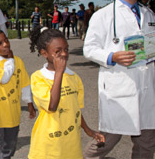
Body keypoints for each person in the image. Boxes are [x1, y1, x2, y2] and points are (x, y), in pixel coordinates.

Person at [83, 0, 155, 158]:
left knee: (147, 145)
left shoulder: (149, 14)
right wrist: (112, 57)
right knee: (105, 143)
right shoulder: (103, 15)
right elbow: (89, 49)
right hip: (119, 89)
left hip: (146, 90)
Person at [28, 28, 104, 159]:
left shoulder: (73, 77)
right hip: (49, 145)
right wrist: (59, 73)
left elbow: (75, 110)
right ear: (44, 53)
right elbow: (52, 106)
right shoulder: (38, 77)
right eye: (57, 51)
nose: (64, 54)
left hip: (71, 144)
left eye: (66, 49)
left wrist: (88, 130)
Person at [0, 29, 36, 159]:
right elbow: (4, 78)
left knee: (11, 143)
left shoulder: (18, 61)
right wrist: (10, 61)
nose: (5, 44)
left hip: (13, 111)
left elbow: (25, 83)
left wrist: (29, 103)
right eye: (0, 43)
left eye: (6, 40)